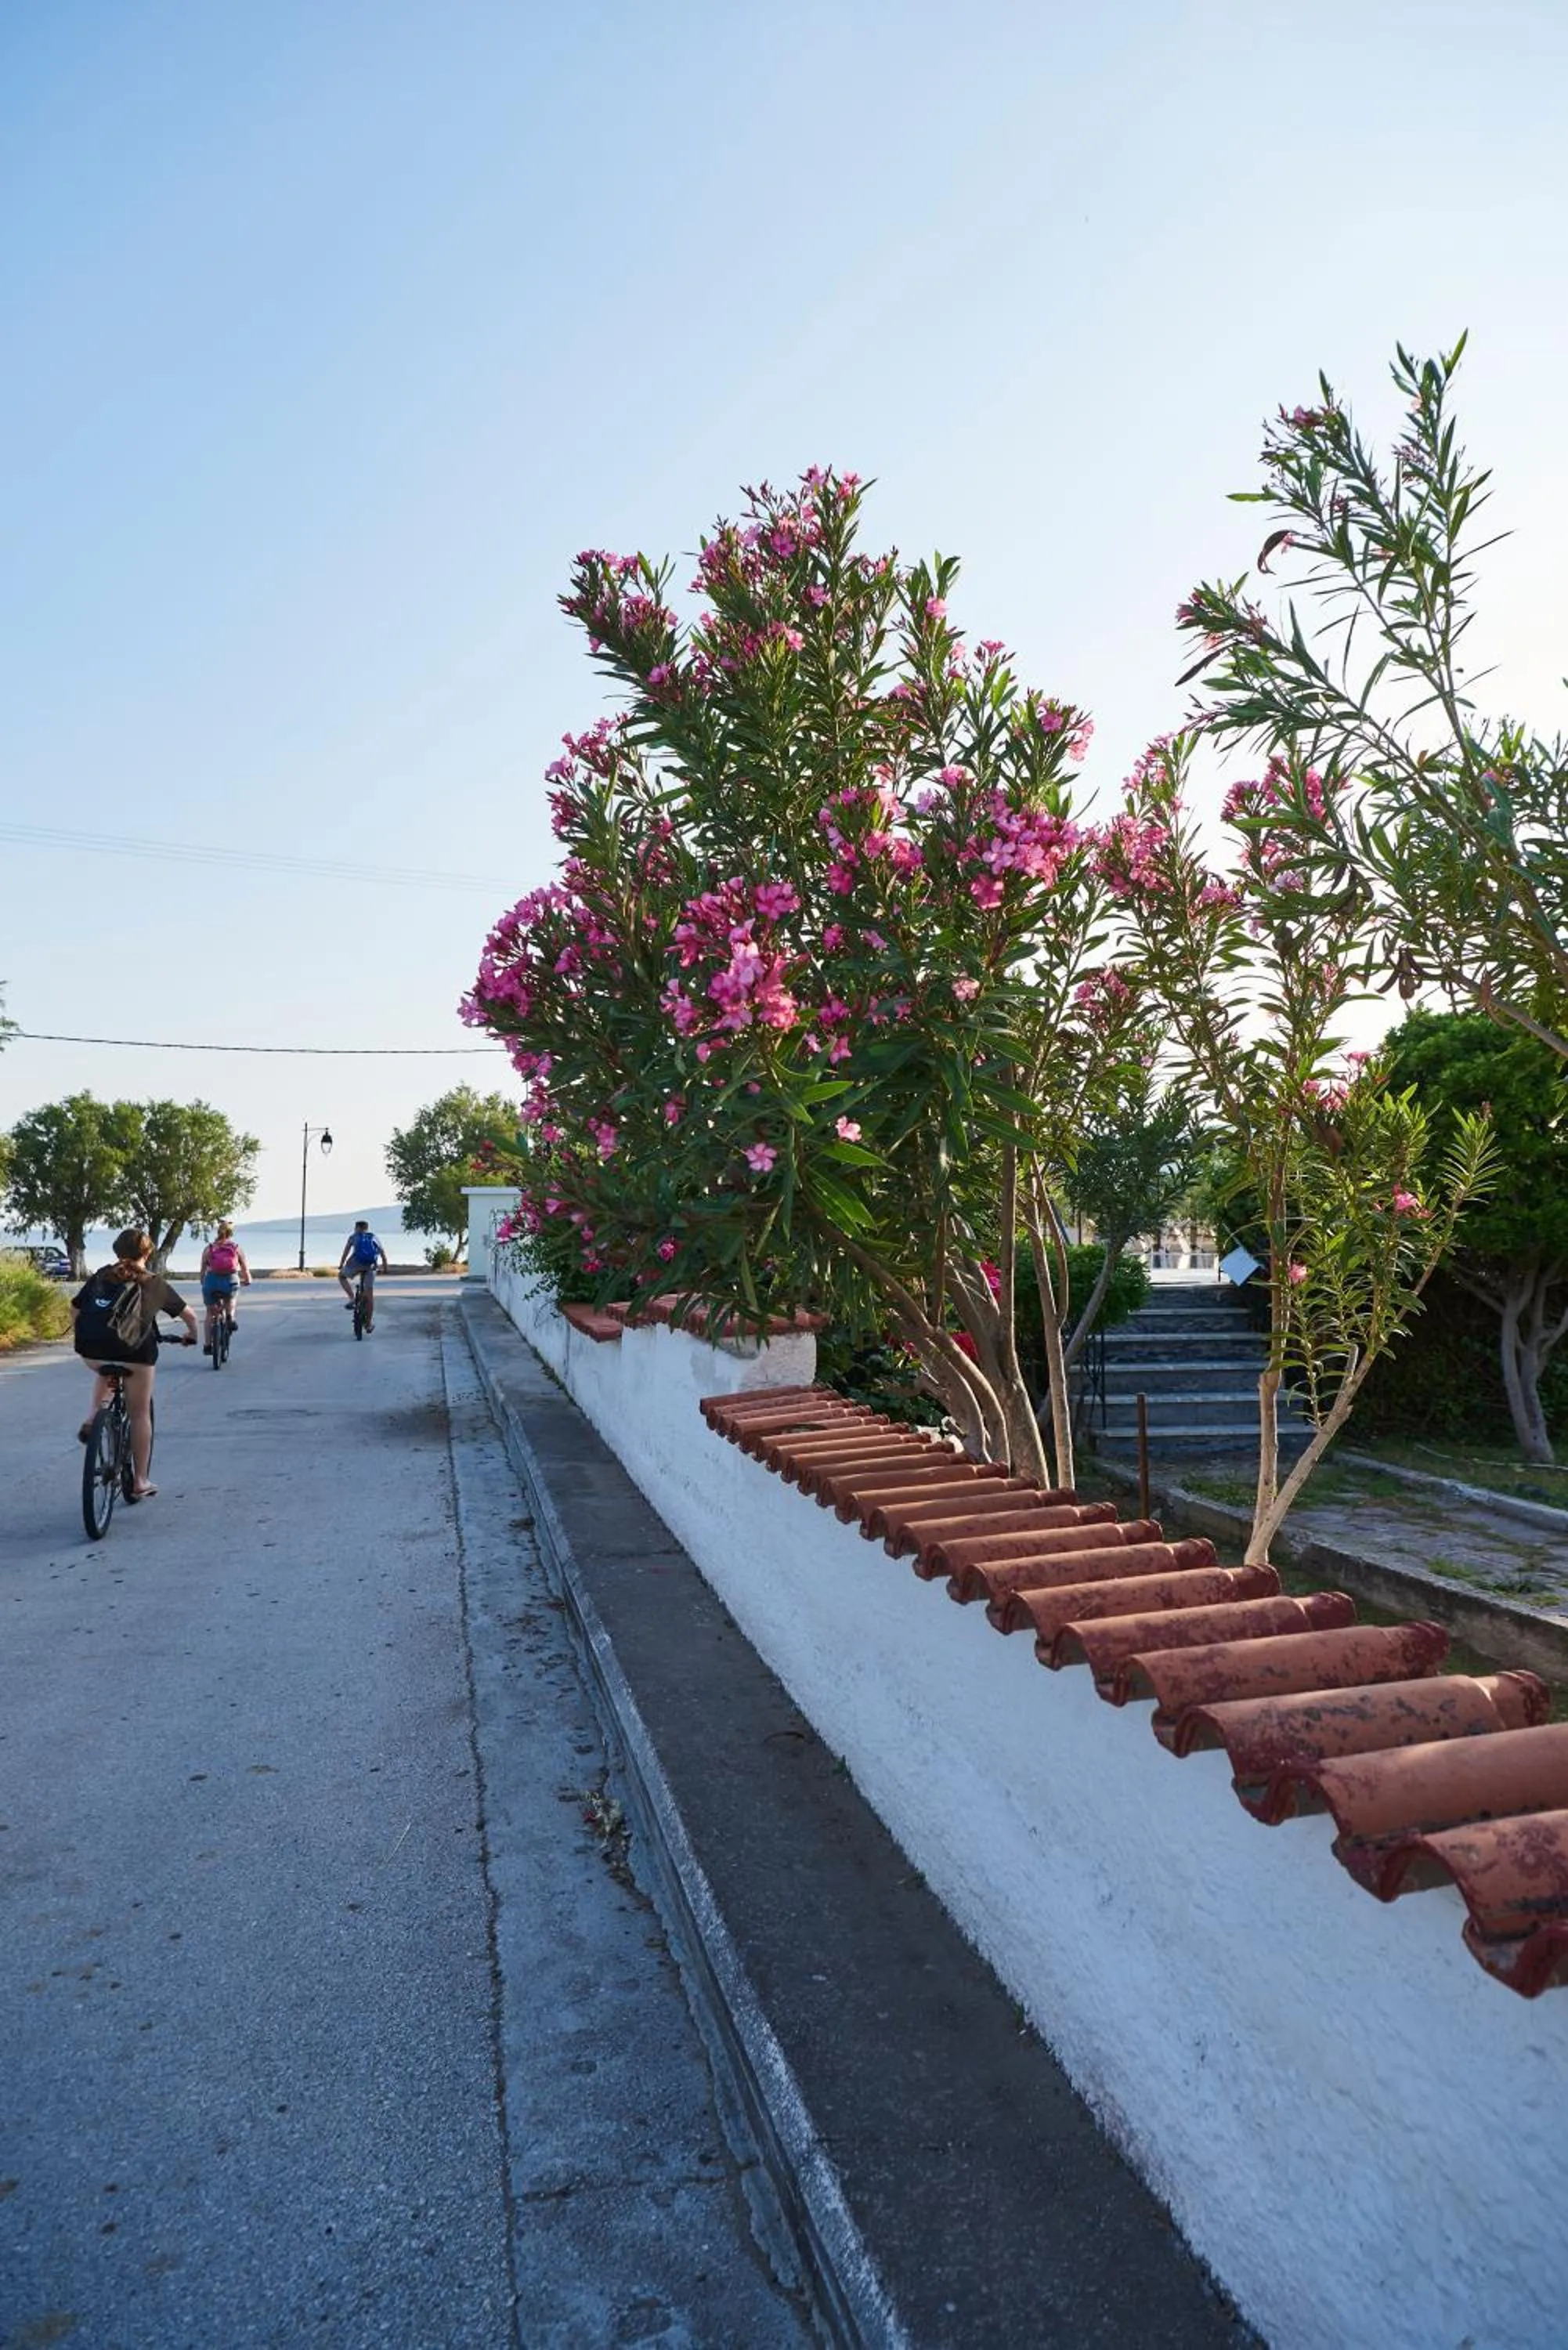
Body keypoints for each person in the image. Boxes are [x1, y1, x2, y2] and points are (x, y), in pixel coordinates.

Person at [71, 1229, 197, 1499]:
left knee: (106, 1369)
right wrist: (192, 1336)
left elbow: (76, 1308)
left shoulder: (102, 1275)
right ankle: (140, 1480)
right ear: (148, 1252)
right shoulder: (153, 1282)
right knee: (139, 1414)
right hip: (136, 1355)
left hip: (92, 1351)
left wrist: (84, 1335)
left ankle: (95, 1415)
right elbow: (189, 1316)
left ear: (117, 1251)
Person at [199, 1218, 252, 1352]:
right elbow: (245, 1269)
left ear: (218, 1232)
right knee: (231, 1297)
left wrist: (203, 1282)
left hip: (211, 1282)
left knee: (210, 1314)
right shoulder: (236, 1248)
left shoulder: (209, 1248)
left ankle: (207, 1345)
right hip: (230, 1280)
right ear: (231, 1234)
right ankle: (230, 1317)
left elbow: (202, 1271)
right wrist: (248, 1279)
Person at [338, 1220, 388, 1330]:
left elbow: (346, 1252)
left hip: (356, 1265)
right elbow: (383, 1253)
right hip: (370, 1267)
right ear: (367, 1228)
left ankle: (352, 1298)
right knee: (370, 1296)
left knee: (341, 1277)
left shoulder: (353, 1237)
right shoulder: (373, 1237)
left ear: (357, 1228)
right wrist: (385, 1269)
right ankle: (369, 1324)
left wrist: (341, 1264)